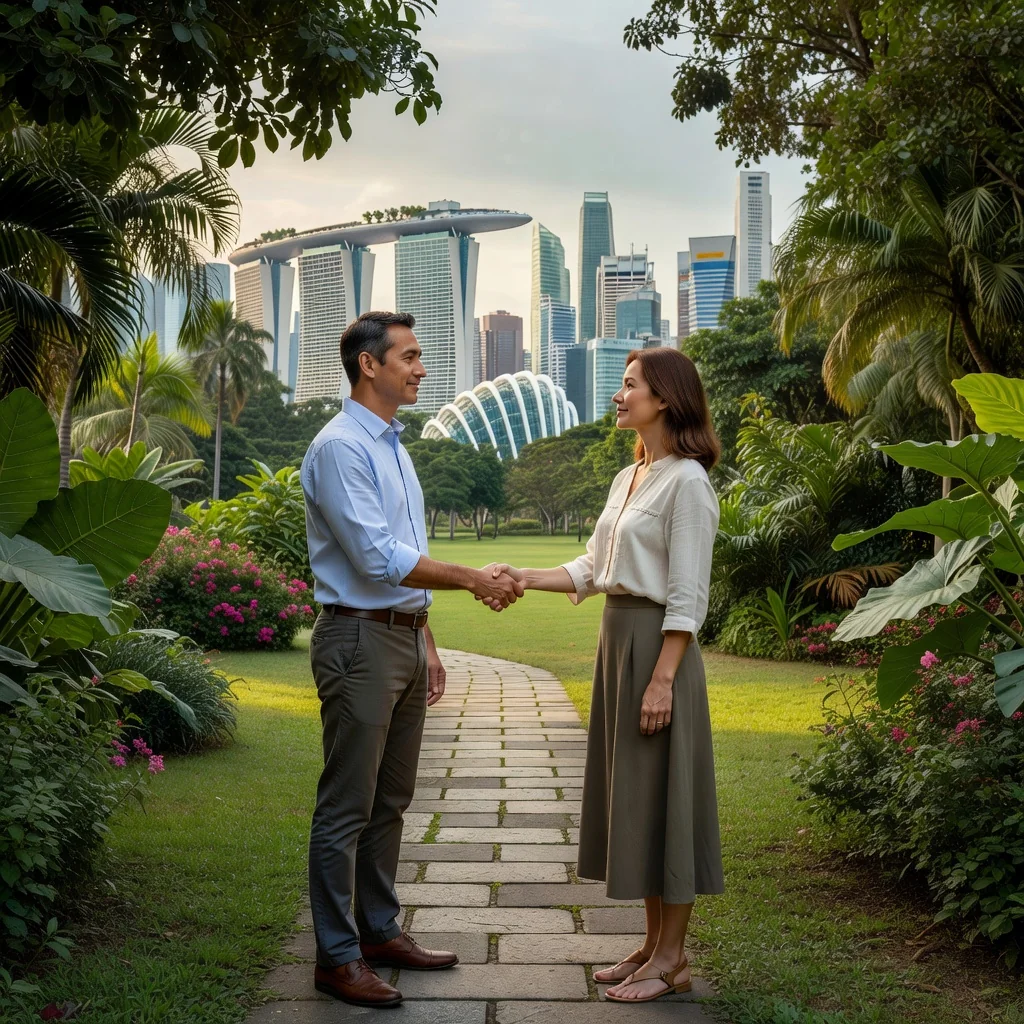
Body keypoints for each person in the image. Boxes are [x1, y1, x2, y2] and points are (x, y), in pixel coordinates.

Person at [485, 347, 724, 1004]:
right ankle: (649, 948)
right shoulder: (629, 478)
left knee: (667, 800)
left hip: (656, 650)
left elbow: (686, 593)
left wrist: (662, 679)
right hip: (617, 643)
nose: (618, 397)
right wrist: (520, 577)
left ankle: (674, 960)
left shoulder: (689, 484)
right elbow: (594, 566)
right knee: (640, 802)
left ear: (665, 399)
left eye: (628, 386)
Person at [300, 310, 523, 1009]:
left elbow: (401, 549)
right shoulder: (341, 447)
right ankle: (336, 957)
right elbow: (374, 557)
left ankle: (378, 931)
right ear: (370, 365)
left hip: (397, 636)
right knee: (347, 805)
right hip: (357, 641)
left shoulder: (394, 445)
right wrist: (471, 578)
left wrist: (424, 638)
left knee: (391, 799)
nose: (422, 369)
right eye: (411, 357)